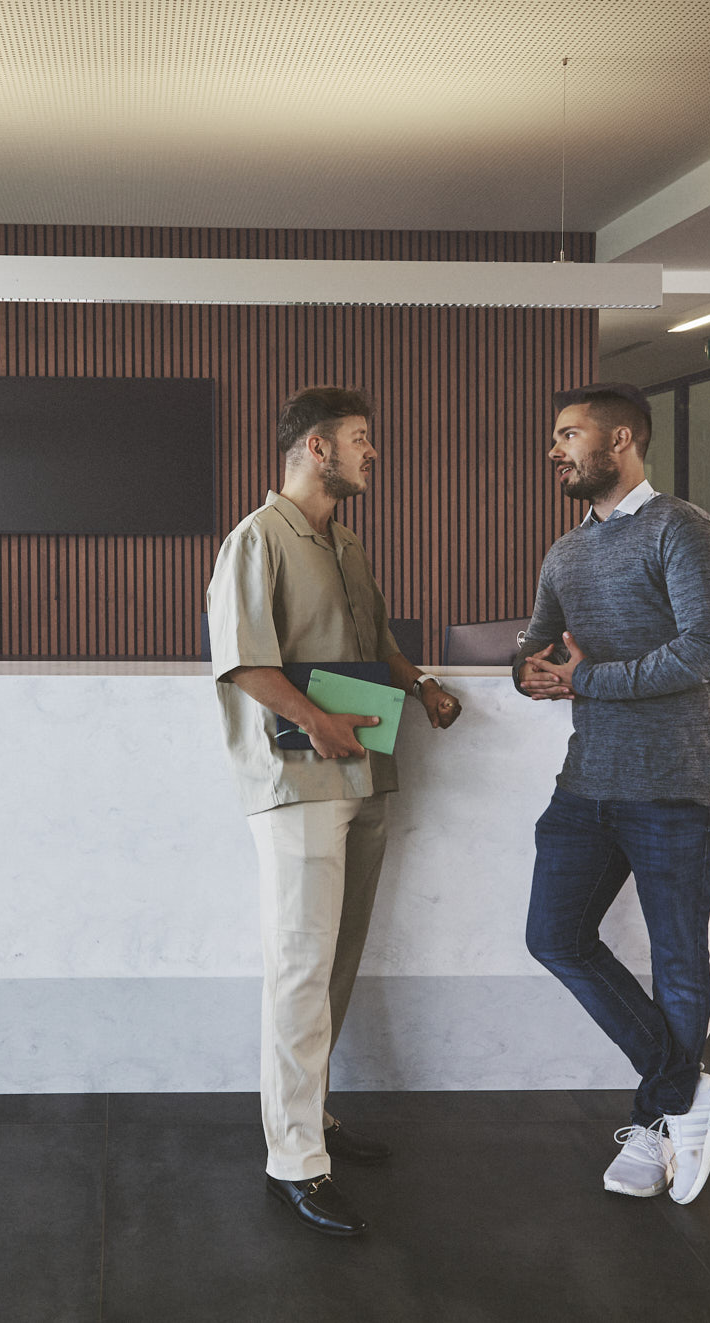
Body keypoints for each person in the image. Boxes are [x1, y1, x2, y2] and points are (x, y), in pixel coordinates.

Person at [206, 385, 462, 1237]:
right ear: (316, 448)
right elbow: (243, 661)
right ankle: (293, 1159)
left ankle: (312, 1114)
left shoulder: (346, 542)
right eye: (359, 438)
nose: (371, 451)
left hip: (365, 774)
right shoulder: (256, 539)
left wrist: (421, 685)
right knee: (299, 965)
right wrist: (317, 722)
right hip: (299, 782)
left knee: (337, 960)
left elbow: (376, 641)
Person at [513, 381, 710, 1205]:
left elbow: (708, 650)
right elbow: (535, 646)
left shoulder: (683, 528)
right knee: (555, 935)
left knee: (678, 959)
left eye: (569, 433)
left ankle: (658, 1124)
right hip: (589, 782)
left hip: (676, 783)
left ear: (621, 440)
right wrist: (529, 671)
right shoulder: (566, 552)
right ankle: (686, 1089)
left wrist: (588, 679)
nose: (555, 449)